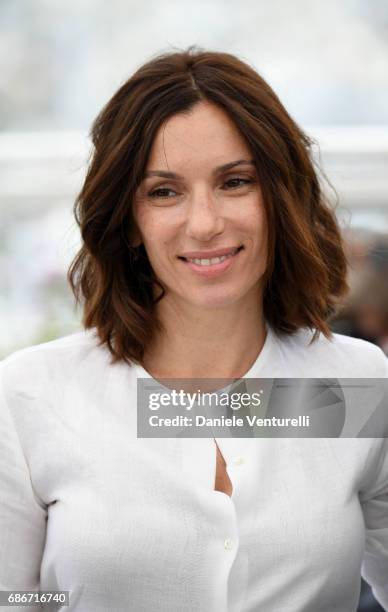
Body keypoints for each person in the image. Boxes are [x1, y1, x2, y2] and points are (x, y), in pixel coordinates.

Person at [0, 47, 387, 612]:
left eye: (235, 182)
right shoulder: (34, 393)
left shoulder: (353, 384)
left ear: (279, 198)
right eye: (164, 191)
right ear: (129, 221)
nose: (204, 223)